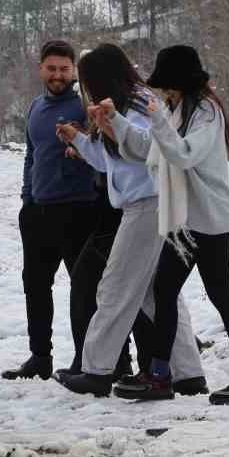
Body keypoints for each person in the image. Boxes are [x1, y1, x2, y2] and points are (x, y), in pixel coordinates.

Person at [111, 46, 229, 405]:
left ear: (180, 83)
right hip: (184, 220)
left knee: (220, 294)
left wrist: (159, 121)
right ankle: (160, 376)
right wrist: (115, 122)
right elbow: (152, 148)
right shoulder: (177, 109)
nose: (164, 93)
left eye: (167, 85)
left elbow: (182, 153)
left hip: (209, 218)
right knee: (164, 289)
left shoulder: (207, 112)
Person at [53, 44, 206, 398]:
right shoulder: (126, 106)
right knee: (157, 294)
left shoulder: (137, 106)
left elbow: (146, 151)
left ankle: (96, 370)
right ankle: (188, 374)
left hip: (148, 205)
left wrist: (111, 124)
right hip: (149, 204)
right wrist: (81, 139)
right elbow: (114, 163)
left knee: (115, 286)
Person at [1, 40, 115, 381]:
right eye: (51, 68)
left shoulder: (85, 106)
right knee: (35, 286)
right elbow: (31, 156)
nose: (57, 75)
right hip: (38, 211)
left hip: (80, 209)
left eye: (64, 69)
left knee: (86, 291)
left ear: (73, 71)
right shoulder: (35, 107)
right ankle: (40, 357)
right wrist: (27, 200)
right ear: (41, 69)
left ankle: (89, 360)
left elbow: (105, 151)